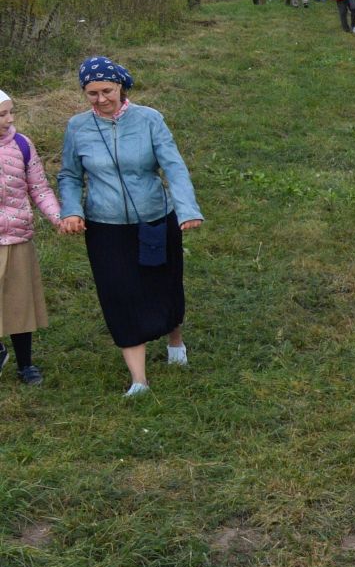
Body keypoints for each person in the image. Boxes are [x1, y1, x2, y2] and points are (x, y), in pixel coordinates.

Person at [57, 58, 204, 397]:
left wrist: (186, 209)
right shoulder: (77, 127)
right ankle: (139, 380)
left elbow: (174, 167)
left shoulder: (150, 120)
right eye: (91, 93)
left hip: (153, 218)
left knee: (163, 284)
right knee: (118, 294)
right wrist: (71, 210)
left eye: (106, 90)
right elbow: (68, 175)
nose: (101, 99)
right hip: (105, 225)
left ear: (121, 86)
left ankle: (175, 340)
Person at [0, 91, 62, 385]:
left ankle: (25, 365)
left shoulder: (22, 145)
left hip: (16, 238)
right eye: (2, 115)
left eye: (11, 112)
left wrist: (59, 218)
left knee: (19, 302)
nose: (10, 119)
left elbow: (39, 188)